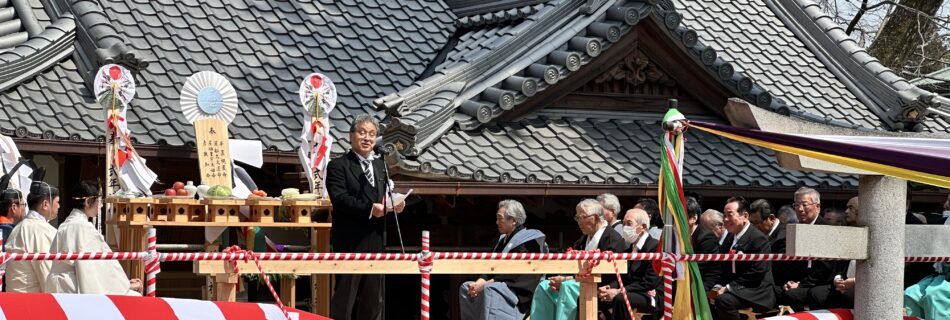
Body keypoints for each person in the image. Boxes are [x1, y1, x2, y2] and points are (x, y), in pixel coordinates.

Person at [325, 115, 404, 320]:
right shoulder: (338, 166)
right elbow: (340, 199)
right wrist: (370, 209)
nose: (367, 138)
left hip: (377, 238)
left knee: (374, 298)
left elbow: (383, 194)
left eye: (371, 134)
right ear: (351, 136)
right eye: (362, 132)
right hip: (351, 240)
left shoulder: (380, 166)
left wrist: (394, 203)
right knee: (346, 296)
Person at [530, 199, 627, 320]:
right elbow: (570, 264)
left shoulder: (613, 239)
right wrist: (562, 278)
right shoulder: (583, 239)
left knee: (567, 287)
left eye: (582, 218)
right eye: (577, 218)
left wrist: (567, 279)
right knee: (545, 286)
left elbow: (608, 274)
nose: (579, 222)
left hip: (599, 285)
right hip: (578, 281)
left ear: (595, 218)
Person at [45, 180, 141, 295]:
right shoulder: (83, 227)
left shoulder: (65, 225)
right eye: (99, 201)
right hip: (70, 287)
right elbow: (101, 267)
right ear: (88, 201)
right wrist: (126, 285)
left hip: (56, 285)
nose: (100, 205)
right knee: (134, 296)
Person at [459, 199, 546, 319]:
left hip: (517, 288)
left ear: (514, 220)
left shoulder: (529, 241)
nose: (497, 222)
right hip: (498, 282)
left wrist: (486, 283)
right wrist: (480, 281)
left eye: (500, 218)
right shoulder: (501, 240)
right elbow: (491, 266)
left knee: (489, 289)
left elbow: (515, 272)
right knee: (466, 287)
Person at [712, 197, 775, 320]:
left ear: (745, 216)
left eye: (730, 215)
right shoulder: (729, 238)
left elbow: (757, 272)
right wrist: (718, 286)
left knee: (723, 301)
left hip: (755, 291)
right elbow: (724, 267)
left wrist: (729, 288)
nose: (725, 219)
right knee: (707, 295)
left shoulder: (758, 239)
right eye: (724, 215)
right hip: (734, 287)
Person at [600, 208, 660, 319]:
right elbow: (624, 277)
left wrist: (619, 291)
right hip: (629, 290)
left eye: (629, 223)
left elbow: (650, 281)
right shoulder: (629, 249)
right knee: (594, 297)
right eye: (623, 224)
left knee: (620, 299)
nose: (625, 227)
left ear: (642, 227)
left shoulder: (655, 247)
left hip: (649, 293)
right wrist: (609, 287)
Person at [780, 187, 834, 311]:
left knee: (792, 295)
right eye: (796, 205)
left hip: (821, 283)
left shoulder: (827, 229)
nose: (800, 209)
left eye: (804, 205)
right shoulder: (798, 229)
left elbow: (825, 267)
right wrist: (792, 282)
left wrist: (800, 284)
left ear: (818, 206)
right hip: (803, 279)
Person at [5, 168, 58, 292]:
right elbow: (47, 274)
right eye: (57, 202)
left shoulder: (19, 227)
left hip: (15, 298)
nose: (59, 206)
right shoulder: (41, 230)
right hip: (30, 300)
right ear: (45, 204)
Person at [688, 197, 720, 291]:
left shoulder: (706, 237)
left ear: (693, 218)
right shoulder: (679, 236)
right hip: (685, 277)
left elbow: (698, 266)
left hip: (704, 280)